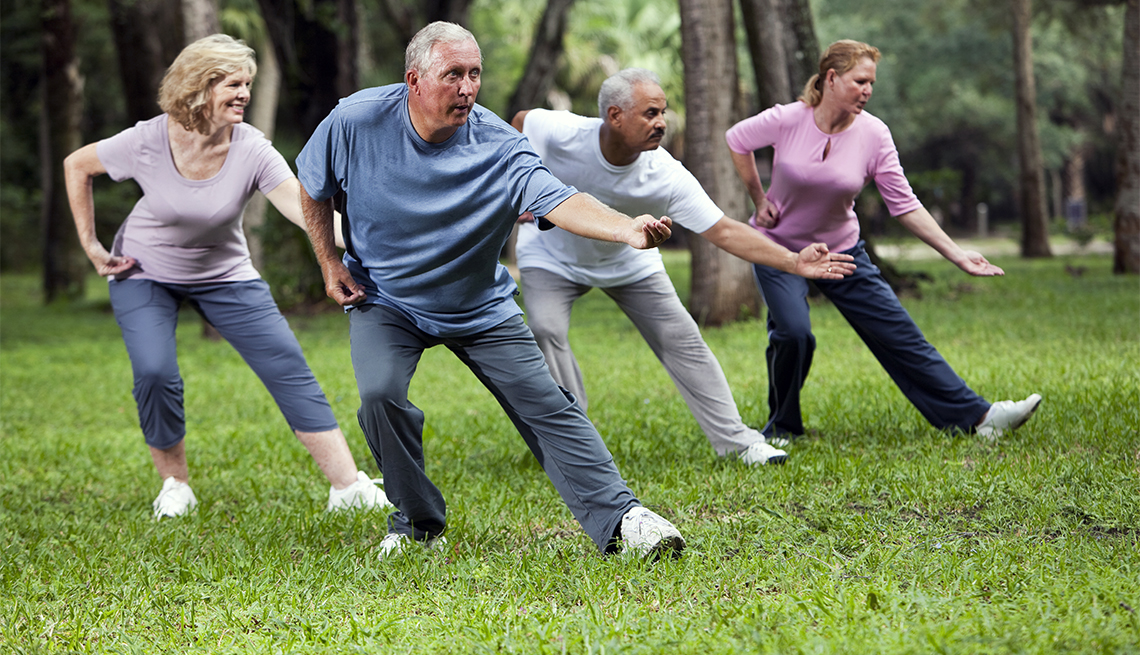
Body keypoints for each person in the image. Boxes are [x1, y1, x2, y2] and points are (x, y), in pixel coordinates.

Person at [296, 22, 686, 559]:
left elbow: (559, 198)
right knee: (379, 395)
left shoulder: (500, 145)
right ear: (413, 79)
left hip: (477, 304)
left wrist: (626, 228)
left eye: (475, 74)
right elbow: (312, 185)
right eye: (453, 74)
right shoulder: (356, 120)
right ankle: (416, 524)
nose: (467, 88)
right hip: (384, 296)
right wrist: (328, 261)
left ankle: (623, 519)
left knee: (549, 405)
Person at [64, 34, 389, 519]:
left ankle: (347, 486)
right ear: (199, 86)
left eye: (248, 84)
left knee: (288, 366)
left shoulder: (253, 149)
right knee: (155, 372)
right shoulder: (148, 139)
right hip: (144, 269)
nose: (244, 93)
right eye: (232, 84)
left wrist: (379, 240)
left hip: (224, 272)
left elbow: (305, 210)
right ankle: (175, 485)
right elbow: (77, 165)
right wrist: (91, 244)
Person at [510, 69, 858, 467]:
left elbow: (725, 231)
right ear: (614, 115)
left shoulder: (665, 174)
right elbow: (521, 121)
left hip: (630, 261)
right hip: (551, 255)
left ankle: (740, 442)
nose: (661, 122)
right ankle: (574, 446)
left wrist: (794, 261)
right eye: (650, 113)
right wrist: (520, 185)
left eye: (663, 112)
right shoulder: (562, 131)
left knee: (684, 341)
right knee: (546, 329)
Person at [725, 39, 1042, 444]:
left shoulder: (874, 134)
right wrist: (759, 197)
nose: (868, 91)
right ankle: (783, 427)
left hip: (842, 251)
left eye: (872, 83)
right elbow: (737, 140)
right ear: (832, 78)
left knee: (900, 334)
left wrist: (957, 254)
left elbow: (904, 205)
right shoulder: (788, 119)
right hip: (780, 249)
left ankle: (981, 418)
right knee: (793, 333)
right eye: (860, 81)